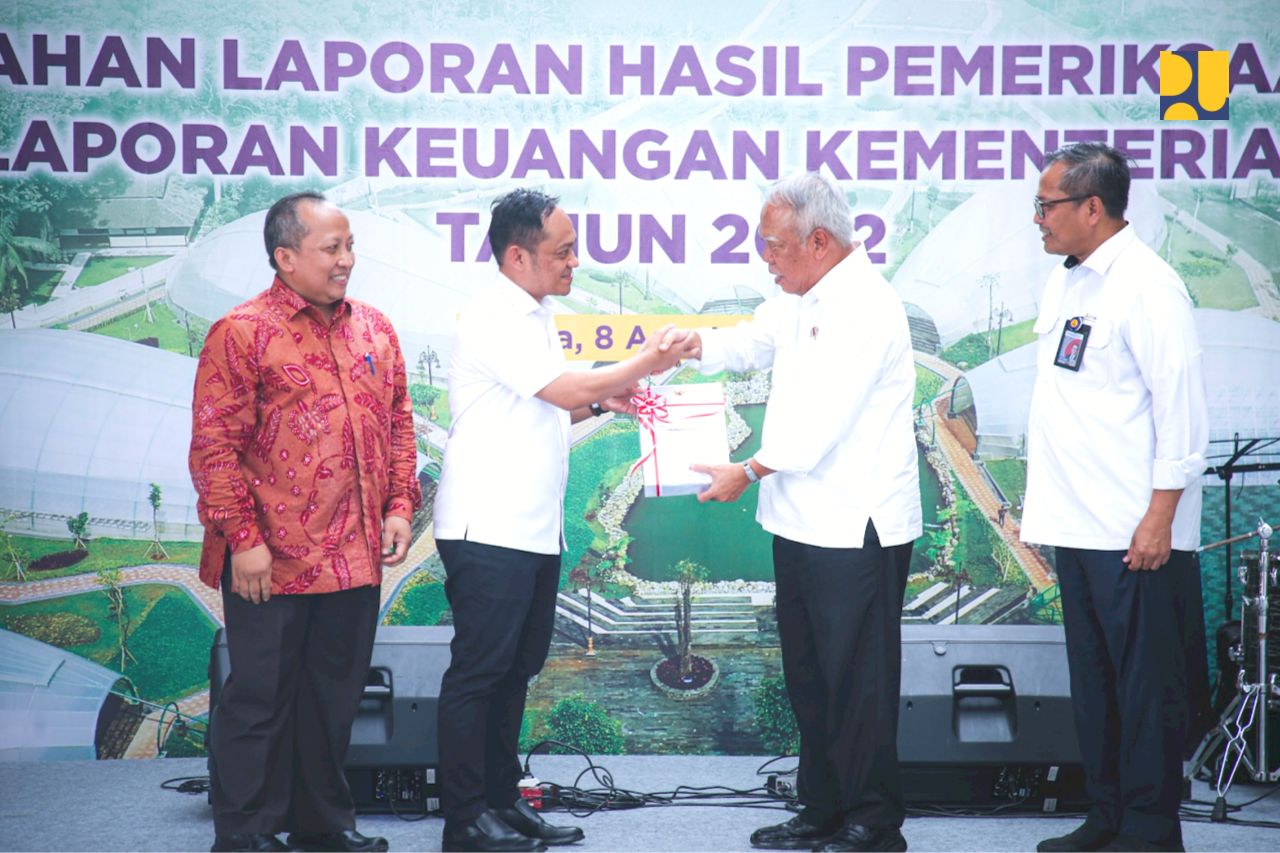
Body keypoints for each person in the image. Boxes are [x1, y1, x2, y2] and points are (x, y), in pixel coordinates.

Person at [432, 189, 691, 853]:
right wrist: (647, 362)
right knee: (479, 674)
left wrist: (605, 403)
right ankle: (465, 818)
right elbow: (564, 388)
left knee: (515, 671)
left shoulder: (537, 313)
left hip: (530, 530)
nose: (575, 262)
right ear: (517, 256)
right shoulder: (496, 315)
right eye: (563, 251)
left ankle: (501, 801)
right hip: (488, 528)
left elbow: (548, 406)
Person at [678, 172, 922, 853]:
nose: (766, 258)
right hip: (798, 522)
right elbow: (750, 340)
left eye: (775, 245)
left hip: (854, 526)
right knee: (811, 676)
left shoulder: (867, 305)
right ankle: (821, 806)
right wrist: (690, 345)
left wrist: (747, 471)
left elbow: (821, 425)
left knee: (858, 682)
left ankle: (873, 821)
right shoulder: (800, 295)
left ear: (819, 241)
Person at [190, 192, 421, 853]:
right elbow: (214, 446)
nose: (346, 260)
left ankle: (323, 825)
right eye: (331, 248)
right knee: (259, 698)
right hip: (271, 558)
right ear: (285, 257)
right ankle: (246, 832)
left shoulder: (374, 327)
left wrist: (400, 505)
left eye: (349, 246)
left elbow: (399, 422)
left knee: (333, 699)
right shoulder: (242, 332)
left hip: (355, 556)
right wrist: (243, 540)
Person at [1020, 142, 1209, 853]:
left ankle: (1151, 830)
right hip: (1078, 522)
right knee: (1095, 683)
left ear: (1092, 207)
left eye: (1047, 205)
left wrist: (1160, 518)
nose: (1037, 218)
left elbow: (1181, 413)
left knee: (1145, 689)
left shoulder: (1148, 286)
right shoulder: (1067, 281)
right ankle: (1106, 817)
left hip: (1134, 529)